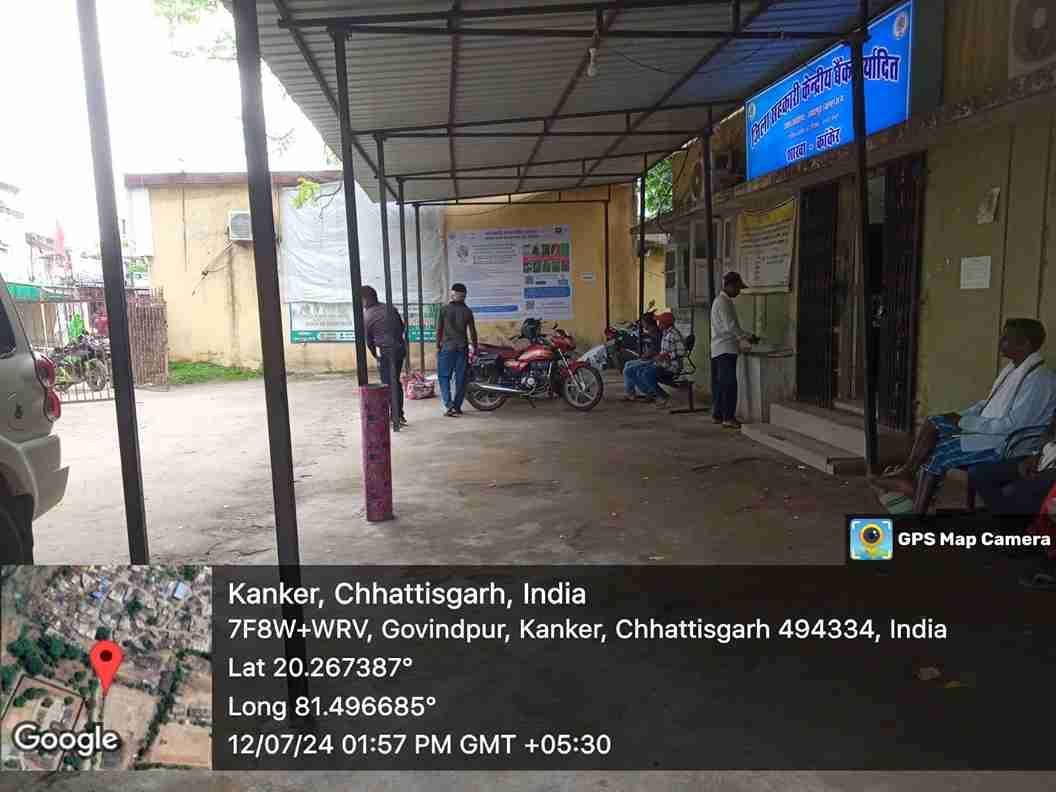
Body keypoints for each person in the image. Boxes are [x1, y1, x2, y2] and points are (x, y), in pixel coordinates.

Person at [876, 318, 1056, 512]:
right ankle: (908, 476)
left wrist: (965, 422)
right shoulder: (1013, 369)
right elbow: (988, 404)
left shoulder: (1039, 380)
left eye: (1006, 338)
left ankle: (917, 509)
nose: (1000, 342)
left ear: (1024, 344)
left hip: (1008, 443)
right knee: (933, 422)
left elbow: (1013, 425)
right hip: (991, 431)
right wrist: (961, 416)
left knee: (939, 452)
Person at [967, 412, 1056, 517]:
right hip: (1044, 458)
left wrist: (1039, 476)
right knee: (978, 473)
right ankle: (1004, 515)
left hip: (1051, 478)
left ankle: (1010, 517)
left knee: (1011, 491)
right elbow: (1050, 432)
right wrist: (1035, 455)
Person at [710, 272, 758, 429]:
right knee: (729, 384)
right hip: (725, 348)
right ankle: (728, 417)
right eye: (737, 288)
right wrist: (747, 336)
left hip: (720, 348)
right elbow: (730, 326)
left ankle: (718, 414)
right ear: (730, 285)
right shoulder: (723, 302)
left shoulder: (721, 301)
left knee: (721, 384)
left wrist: (744, 336)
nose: (739, 291)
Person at [361, 286, 408, 427]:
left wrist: (376, 355)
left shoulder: (367, 315)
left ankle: (395, 416)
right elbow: (402, 327)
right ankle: (399, 414)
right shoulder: (390, 308)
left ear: (365, 300)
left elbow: (369, 341)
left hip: (385, 353)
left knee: (387, 384)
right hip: (399, 350)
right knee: (395, 382)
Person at [622, 311, 686, 409]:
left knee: (645, 374)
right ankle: (653, 394)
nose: (658, 324)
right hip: (662, 363)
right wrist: (660, 356)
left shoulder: (674, 334)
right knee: (636, 370)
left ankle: (663, 396)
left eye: (660, 322)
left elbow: (682, 352)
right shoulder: (666, 333)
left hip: (671, 366)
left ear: (665, 323)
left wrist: (666, 356)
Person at [436, 283, 477, 417]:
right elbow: (473, 332)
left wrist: (438, 345)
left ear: (452, 294)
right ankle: (457, 406)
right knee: (461, 378)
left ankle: (449, 406)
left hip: (447, 347)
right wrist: (475, 348)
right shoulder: (467, 311)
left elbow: (439, 329)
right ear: (464, 296)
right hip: (462, 348)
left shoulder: (444, 309)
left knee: (444, 376)